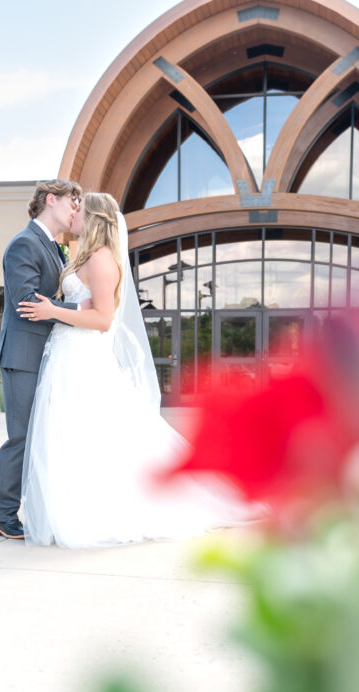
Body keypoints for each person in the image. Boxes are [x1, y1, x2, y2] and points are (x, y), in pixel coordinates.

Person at [16, 192, 252, 547]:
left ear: (94, 218)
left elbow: (102, 319)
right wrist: (64, 308)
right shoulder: (83, 255)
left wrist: (54, 312)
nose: (73, 214)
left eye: (79, 209)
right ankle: (75, 505)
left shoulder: (101, 259)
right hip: (66, 354)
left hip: (84, 356)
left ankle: (101, 511)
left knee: (92, 435)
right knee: (69, 434)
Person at [0, 178, 88, 540]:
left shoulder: (53, 247)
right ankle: (2, 514)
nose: (76, 210)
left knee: (43, 435)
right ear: (51, 200)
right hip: (24, 355)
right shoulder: (24, 244)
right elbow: (27, 302)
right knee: (22, 436)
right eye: (72, 203)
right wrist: (78, 309)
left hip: (48, 354)